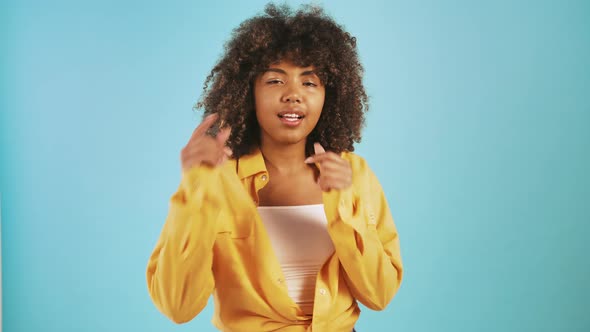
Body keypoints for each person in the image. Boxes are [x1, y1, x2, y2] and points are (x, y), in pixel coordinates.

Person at [146, 3, 403, 331]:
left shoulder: (355, 174)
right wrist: (196, 187)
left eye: (310, 83)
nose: (293, 95)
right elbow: (177, 305)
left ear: (331, 95)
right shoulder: (219, 179)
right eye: (275, 81)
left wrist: (344, 206)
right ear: (247, 93)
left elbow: (380, 294)